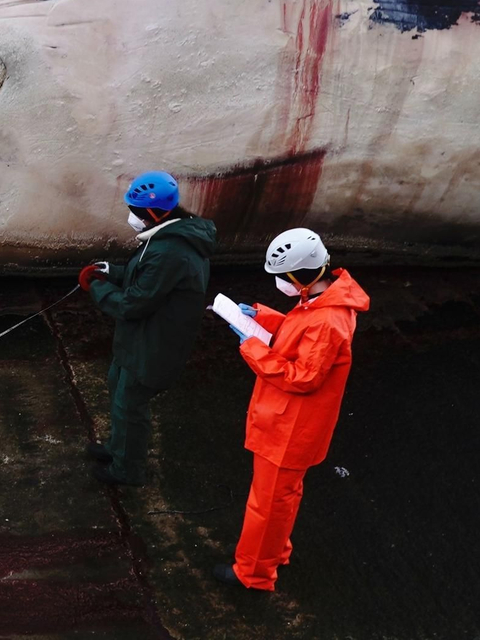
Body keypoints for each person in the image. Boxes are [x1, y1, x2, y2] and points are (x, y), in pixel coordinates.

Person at [215, 228, 369, 591]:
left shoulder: (327, 318)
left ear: (299, 277)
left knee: (266, 506)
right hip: (294, 425)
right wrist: (261, 317)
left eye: (281, 278)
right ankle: (274, 552)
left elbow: (302, 376)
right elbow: (298, 333)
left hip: (289, 428)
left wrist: (252, 347)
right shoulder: (325, 301)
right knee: (282, 497)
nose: (279, 284)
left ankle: (253, 574)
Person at [79, 171, 217, 487]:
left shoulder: (171, 251)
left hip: (154, 345)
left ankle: (127, 470)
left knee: (130, 405)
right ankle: (118, 448)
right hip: (140, 339)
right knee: (118, 391)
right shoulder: (167, 238)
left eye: (137, 212)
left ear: (154, 213)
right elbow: (144, 276)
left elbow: (133, 303)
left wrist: (97, 289)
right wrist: (110, 271)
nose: (132, 217)